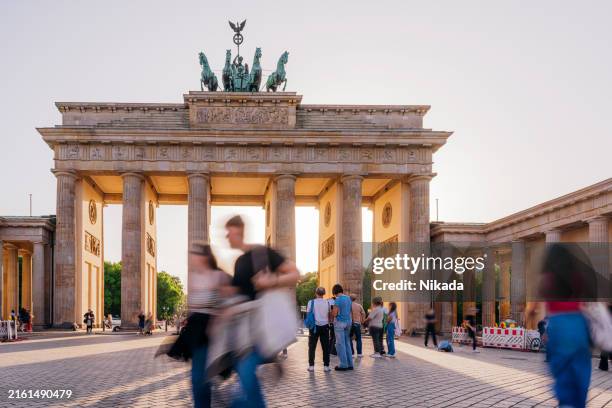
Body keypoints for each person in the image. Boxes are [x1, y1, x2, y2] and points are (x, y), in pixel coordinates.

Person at [223, 215, 299, 407]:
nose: (226, 237)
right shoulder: (239, 262)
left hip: (262, 325)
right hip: (245, 329)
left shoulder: (262, 253)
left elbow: (294, 273)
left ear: (238, 231)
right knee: (243, 375)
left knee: (246, 372)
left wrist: (270, 281)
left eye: (228, 232)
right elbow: (239, 293)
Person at [167, 242, 230, 408]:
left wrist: (217, 323)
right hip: (196, 328)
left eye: (194, 255)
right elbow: (193, 306)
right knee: (198, 376)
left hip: (211, 328)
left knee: (199, 376)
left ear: (204, 257)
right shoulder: (194, 277)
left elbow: (226, 304)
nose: (191, 259)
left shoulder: (219, 276)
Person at [538, 244, 595, 408]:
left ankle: (566, 403)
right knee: (580, 370)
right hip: (578, 325)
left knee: (562, 372)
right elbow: (590, 298)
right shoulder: (578, 277)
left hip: (558, 326)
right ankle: (578, 403)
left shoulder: (547, 279)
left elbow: (534, 308)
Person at [307, 287, 331, 372]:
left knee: (312, 347)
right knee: (325, 347)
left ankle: (311, 366)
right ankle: (326, 366)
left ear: (316, 293)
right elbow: (329, 314)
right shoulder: (327, 302)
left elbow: (308, 313)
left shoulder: (311, 302)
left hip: (314, 327)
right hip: (325, 326)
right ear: (324, 293)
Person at [331, 284, 353, 371]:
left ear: (334, 292)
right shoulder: (348, 298)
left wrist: (331, 310)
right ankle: (350, 363)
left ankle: (343, 364)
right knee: (347, 342)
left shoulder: (337, 300)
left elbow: (335, 313)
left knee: (340, 344)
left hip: (340, 323)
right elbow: (350, 311)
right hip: (348, 322)